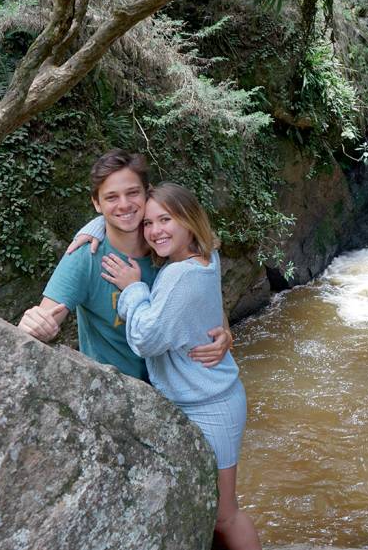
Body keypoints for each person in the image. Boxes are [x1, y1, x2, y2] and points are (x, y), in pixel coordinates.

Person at [89, 182, 262, 550]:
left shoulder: (179, 275)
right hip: (199, 397)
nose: (154, 231)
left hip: (210, 405)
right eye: (148, 223)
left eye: (166, 219)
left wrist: (133, 290)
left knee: (224, 515)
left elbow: (148, 339)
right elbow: (119, 215)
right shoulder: (204, 255)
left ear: (188, 220)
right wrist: (92, 228)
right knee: (209, 505)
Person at [17, 150, 231, 379]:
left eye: (132, 193)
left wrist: (226, 333)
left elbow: (204, 293)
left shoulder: (166, 242)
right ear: (97, 204)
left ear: (147, 194)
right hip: (121, 397)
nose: (124, 205)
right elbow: (42, 322)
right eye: (111, 197)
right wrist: (33, 326)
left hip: (182, 393)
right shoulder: (85, 257)